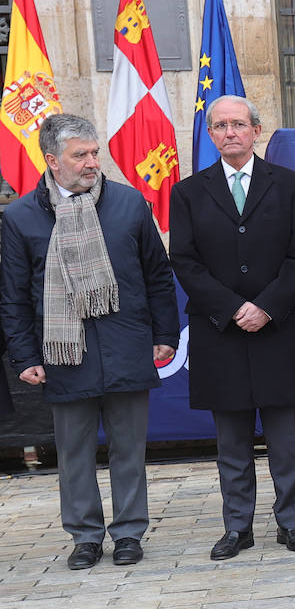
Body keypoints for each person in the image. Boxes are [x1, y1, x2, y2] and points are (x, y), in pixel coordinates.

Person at [0, 114, 178, 569]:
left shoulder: (128, 204)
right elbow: (14, 296)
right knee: (74, 453)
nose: (92, 162)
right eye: (81, 155)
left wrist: (164, 333)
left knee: (128, 448)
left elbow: (157, 275)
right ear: (53, 161)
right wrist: (24, 354)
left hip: (126, 344)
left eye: (95, 153)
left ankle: (129, 534)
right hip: (64, 353)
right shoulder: (20, 218)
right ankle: (84, 536)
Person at [169, 95, 295, 560]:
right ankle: (237, 527)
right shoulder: (189, 192)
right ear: (211, 134)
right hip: (221, 332)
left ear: (256, 130)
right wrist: (235, 308)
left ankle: (291, 523)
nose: (230, 132)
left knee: (283, 438)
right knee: (231, 441)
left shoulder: (292, 185)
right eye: (220, 126)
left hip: (280, 329)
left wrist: (267, 307)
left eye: (239, 124)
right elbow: (185, 261)